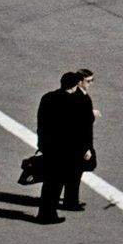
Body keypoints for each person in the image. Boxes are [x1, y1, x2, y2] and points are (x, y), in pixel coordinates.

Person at [35, 72, 94, 224]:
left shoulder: (47, 97)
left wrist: (41, 144)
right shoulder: (74, 103)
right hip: (66, 151)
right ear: (75, 85)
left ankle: (45, 213)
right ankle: (48, 215)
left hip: (49, 147)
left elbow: (41, 123)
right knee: (57, 183)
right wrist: (85, 148)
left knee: (49, 183)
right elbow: (79, 129)